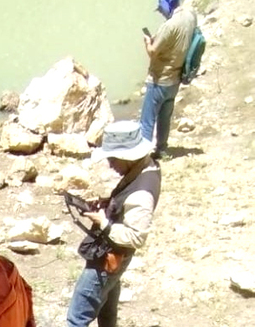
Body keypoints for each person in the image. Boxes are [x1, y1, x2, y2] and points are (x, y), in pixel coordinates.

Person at [67, 121, 162, 327]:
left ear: (126, 157)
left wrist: (103, 223)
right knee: (107, 310)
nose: (110, 164)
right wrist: (109, 204)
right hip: (116, 259)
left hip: (109, 259)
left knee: (77, 318)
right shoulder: (147, 167)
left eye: (112, 159)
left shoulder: (141, 193)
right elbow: (127, 205)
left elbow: (136, 237)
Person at [140, 0, 197, 159]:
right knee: (164, 117)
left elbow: (152, 51)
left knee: (147, 121)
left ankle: (143, 157)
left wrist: (147, 41)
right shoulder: (190, 16)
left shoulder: (169, 26)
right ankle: (162, 150)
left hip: (159, 80)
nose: (161, 12)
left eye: (161, 9)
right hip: (175, 79)